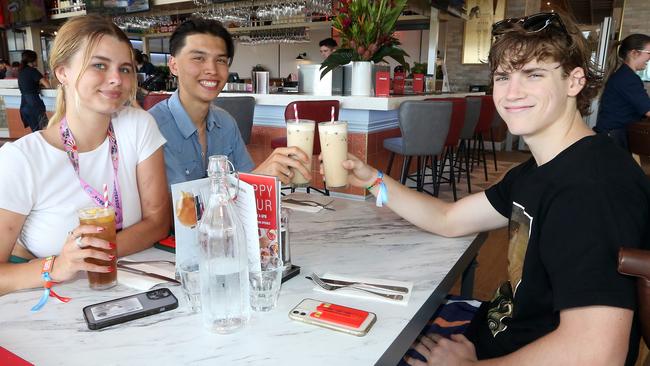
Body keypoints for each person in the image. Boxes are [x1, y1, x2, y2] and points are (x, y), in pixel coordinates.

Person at [331, 12, 650, 365]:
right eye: (503, 76)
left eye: (533, 74)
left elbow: (597, 354)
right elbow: (449, 218)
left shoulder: (591, 188)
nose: (512, 93)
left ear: (574, 81)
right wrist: (375, 180)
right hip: (495, 332)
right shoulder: (541, 169)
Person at [0, 15, 170, 296]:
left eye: (125, 68)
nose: (116, 79)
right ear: (62, 72)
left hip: (129, 285)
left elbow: (157, 223)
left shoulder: (138, 126)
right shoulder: (21, 160)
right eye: (99, 65)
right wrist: (60, 265)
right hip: (45, 298)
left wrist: (97, 251)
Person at [149, 18, 310, 186]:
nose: (212, 70)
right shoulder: (152, 128)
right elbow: (170, 208)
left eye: (220, 60)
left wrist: (265, 177)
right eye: (198, 58)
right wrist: (259, 175)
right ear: (173, 65)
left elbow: (244, 189)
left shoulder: (226, 123)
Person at [594, 34, 650, 149]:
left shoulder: (625, 75)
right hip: (612, 137)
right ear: (634, 53)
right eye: (649, 53)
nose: (649, 58)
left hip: (612, 135)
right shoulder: (628, 78)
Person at [18, 50, 50, 132]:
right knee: (45, 128)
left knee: (35, 131)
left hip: (24, 104)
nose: (37, 61)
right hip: (34, 103)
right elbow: (47, 85)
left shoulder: (21, 71)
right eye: (37, 59)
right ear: (32, 60)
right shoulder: (33, 71)